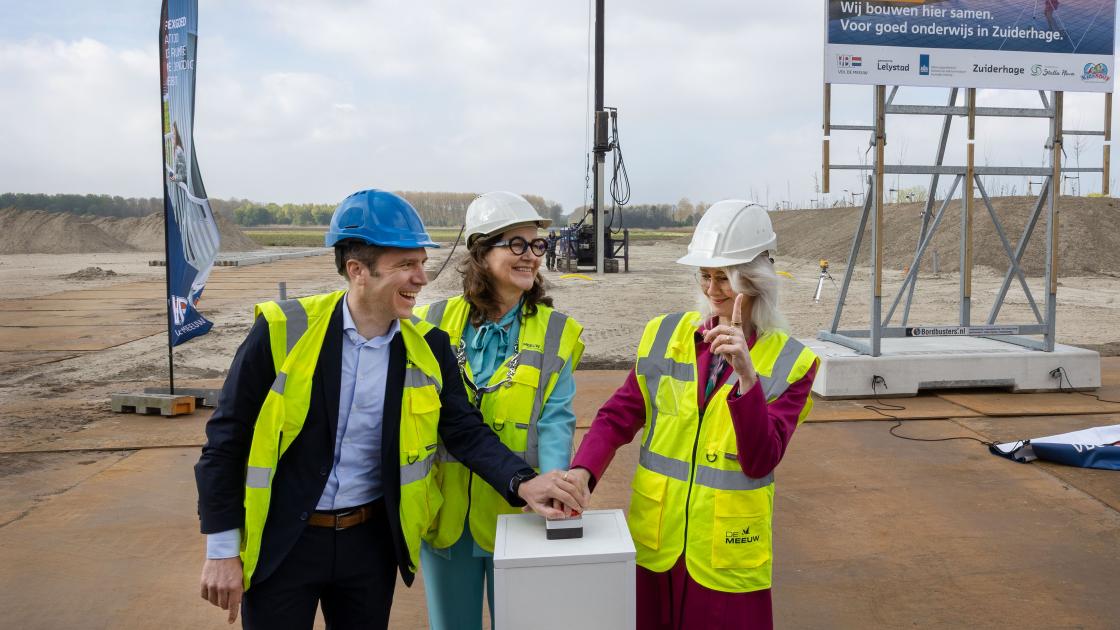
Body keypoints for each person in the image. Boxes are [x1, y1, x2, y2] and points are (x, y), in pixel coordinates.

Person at [194, 189, 587, 629]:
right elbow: (226, 442)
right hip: (285, 543)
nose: (422, 278)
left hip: (370, 545)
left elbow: (464, 431)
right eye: (406, 265)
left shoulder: (428, 346)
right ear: (357, 270)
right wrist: (222, 548)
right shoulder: (281, 331)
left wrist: (523, 483)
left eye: (421, 263)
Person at [566, 200, 819, 629]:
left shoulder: (794, 362)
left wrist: (746, 378)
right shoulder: (665, 335)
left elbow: (760, 460)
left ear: (756, 281)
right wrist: (583, 472)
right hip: (658, 541)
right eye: (706, 275)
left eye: (726, 278)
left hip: (726, 551)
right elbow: (619, 414)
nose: (713, 289)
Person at [415, 191, 585, 630]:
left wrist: (554, 493)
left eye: (537, 246)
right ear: (479, 251)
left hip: (521, 514)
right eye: (517, 244)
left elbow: (556, 421)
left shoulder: (555, 332)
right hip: (447, 517)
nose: (531, 256)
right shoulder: (431, 322)